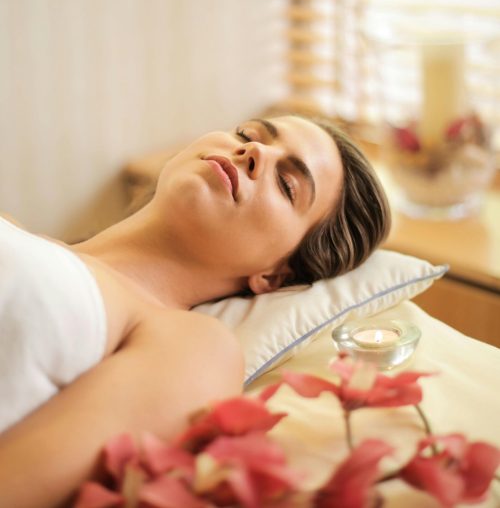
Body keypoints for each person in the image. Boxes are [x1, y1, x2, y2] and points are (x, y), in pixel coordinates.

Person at [0, 114, 390, 507]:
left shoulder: (195, 347)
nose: (254, 151)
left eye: (287, 184)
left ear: (274, 276)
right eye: (247, 134)